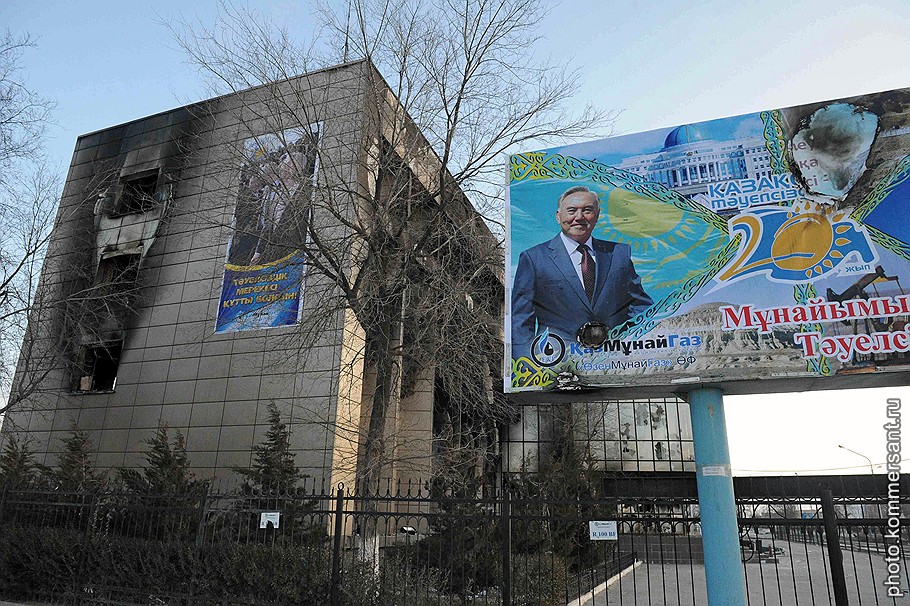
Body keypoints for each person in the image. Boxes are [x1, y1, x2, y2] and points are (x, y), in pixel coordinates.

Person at [510, 185, 652, 355]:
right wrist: (527, 367)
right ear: (558, 216)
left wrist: (633, 344)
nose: (579, 217)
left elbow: (640, 306)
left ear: (597, 216)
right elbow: (521, 320)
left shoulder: (618, 254)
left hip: (615, 357)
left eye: (587, 210)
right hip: (558, 362)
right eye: (571, 210)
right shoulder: (534, 259)